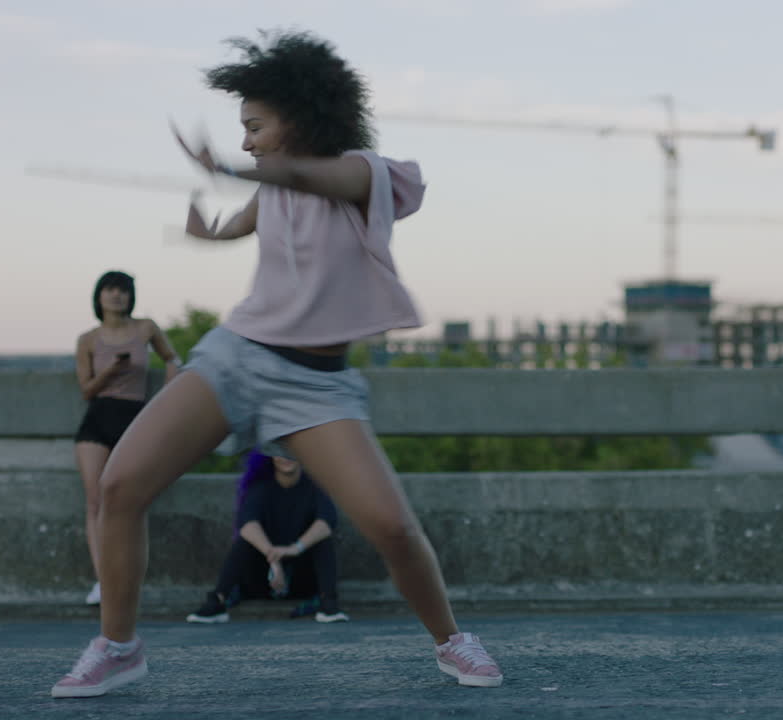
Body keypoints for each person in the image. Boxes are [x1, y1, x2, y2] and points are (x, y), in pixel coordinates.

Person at [51, 30, 503, 699]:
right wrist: (212, 230)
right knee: (120, 488)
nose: (246, 142)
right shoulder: (272, 190)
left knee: (393, 528)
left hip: (315, 387)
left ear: (301, 115)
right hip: (235, 359)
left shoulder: (365, 174)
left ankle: (451, 640)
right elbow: (252, 215)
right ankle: (118, 647)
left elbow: (301, 174)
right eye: (242, 131)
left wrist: (235, 169)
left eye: (255, 127)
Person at [73, 270, 180, 606]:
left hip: (135, 419)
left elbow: (173, 359)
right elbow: (86, 390)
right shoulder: (88, 339)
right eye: (109, 289)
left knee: (128, 502)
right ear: (99, 296)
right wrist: (109, 372)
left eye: (122, 290)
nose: (116, 295)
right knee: (95, 502)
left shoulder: (145, 327)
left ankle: (126, 580)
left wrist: (167, 396)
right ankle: (103, 581)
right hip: (97, 422)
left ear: (130, 296)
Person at [187, 451, 348, 624]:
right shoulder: (260, 487)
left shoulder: (316, 486)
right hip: (263, 578)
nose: (286, 457)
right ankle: (217, 601)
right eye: (278, 452)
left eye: (291, 452)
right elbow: (247, 525)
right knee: (244, 542)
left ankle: (329, 603)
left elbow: (326, 522)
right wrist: (272, 556)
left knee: (323, 541)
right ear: (269, 457)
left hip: (302, 578)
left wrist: (294, 549)